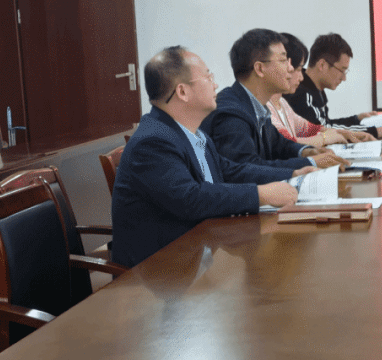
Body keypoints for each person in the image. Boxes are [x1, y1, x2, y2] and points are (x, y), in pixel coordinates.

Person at [111, 46, 303, 269]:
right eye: (208, 77)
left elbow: (230, 170)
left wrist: (294, 172)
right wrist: (260, 194)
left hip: (200, 252)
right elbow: (190, 198)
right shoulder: (153, 141)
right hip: (160, 271)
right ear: (182, 92)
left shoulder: (193, 133)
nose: (216, 85)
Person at [202, 29, 349, 172]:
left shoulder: (257, 105)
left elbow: (280, 145)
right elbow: (246, 169)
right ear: (260, 69)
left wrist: (307, 152)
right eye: (283, 60)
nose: (290, 68)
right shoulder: (232, 114)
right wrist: (310, 162)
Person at [285, 32, 382, 140]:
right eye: (342, 70)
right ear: (322, 65)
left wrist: (356, 119)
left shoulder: (315, 89)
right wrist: (374, 131)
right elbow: (324, 131)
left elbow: (326, 124)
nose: (344, 78)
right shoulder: (301, 93)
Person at [268, 33, 373, 146]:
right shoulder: (266, 107)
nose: (301, 77)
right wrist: (324, 138)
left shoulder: (282, 103)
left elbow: (308, 128)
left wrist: (345, 133)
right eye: (298, 69)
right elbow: (286, 144)